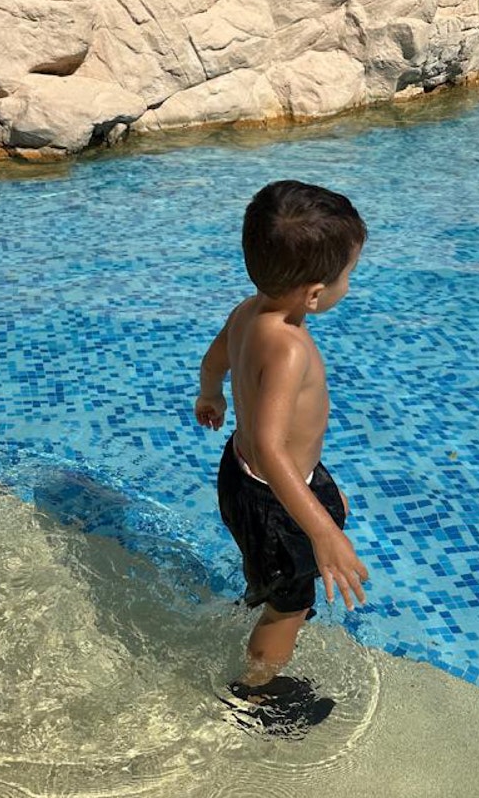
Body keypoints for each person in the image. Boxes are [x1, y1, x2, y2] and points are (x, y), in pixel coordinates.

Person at [194, 179, 370, 735]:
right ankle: (253, 693)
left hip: (242, 473)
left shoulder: (248, 311)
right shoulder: (291, 347)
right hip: (271, 491)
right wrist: (322, 530)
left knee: (275, 567)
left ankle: (263, 586)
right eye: (348, 276)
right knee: (290, 607)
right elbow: (273, 450)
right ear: (314, 294)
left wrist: (211, 394)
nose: (349, 284)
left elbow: (215, 361)